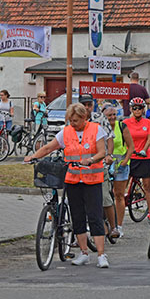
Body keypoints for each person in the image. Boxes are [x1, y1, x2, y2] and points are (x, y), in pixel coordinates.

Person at [25, 104, 109, 268]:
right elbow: (50, 147)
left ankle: (101, 254)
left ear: (84, 118)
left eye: (76, 121)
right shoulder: (66, 132)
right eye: (70, 120)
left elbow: (101, 152)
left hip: (92, 180)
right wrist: (33, 156)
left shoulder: (96, 130)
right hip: (72, 180)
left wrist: (91, 160)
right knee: (77, 216)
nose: (73, 123)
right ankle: (84, 252)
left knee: (94, 216)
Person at [79, 94, 117, 237]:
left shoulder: (100, 119)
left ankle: (114, 227)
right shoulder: (74, 119)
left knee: (105, 198)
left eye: (90, 105)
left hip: (99, 164)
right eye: (85, 105)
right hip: (80, 165)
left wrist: (109, 155)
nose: (87, 108)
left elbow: (109, 138)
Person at [123, 97, 150, 223]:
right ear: (131, 109)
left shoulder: (147, 122)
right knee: (123, 184)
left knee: (147, 186)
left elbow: (149, 138)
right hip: (130, 157)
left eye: (140, 108)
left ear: (143, 109)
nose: (137, 110)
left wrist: (144, 150)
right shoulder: (126, 122)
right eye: (135, 108)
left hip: (144, 157)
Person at [104, 104, 134, 239]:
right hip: (105, 165)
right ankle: (106, 224)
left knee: (119, 195)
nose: (112, 117)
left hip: (120, 165)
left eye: (114, 115)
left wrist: (125, 160)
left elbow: (131, 146)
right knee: (104, 195)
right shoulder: (100, 127)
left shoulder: (121, 127)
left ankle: (119, 225)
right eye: (109, 115)